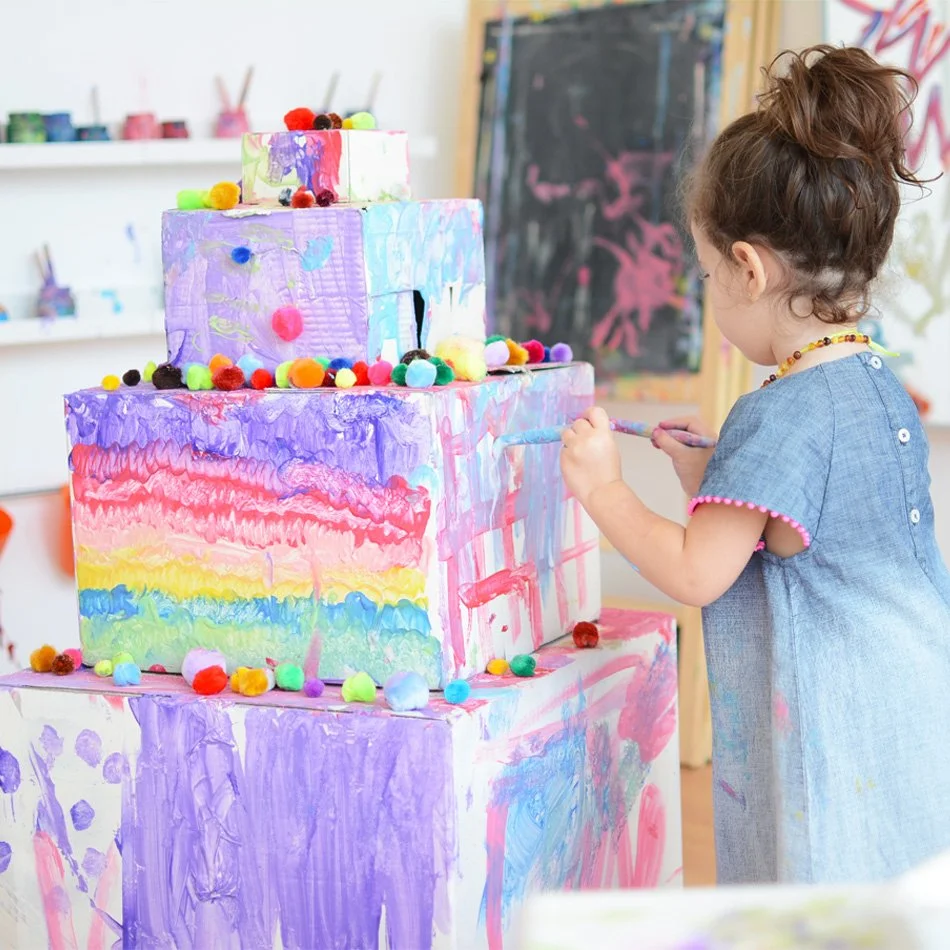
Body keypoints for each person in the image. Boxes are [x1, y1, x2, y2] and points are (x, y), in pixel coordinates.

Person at [560, 44, 950, 885]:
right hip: (913, 715)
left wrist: (604, 489)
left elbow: (699, 573)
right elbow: (798, 533)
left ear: (748, 267)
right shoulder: (878, 383)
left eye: (705, 274)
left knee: (827, 912)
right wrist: (712, 481)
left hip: (835, 735)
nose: (707, 292)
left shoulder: (776, 412)